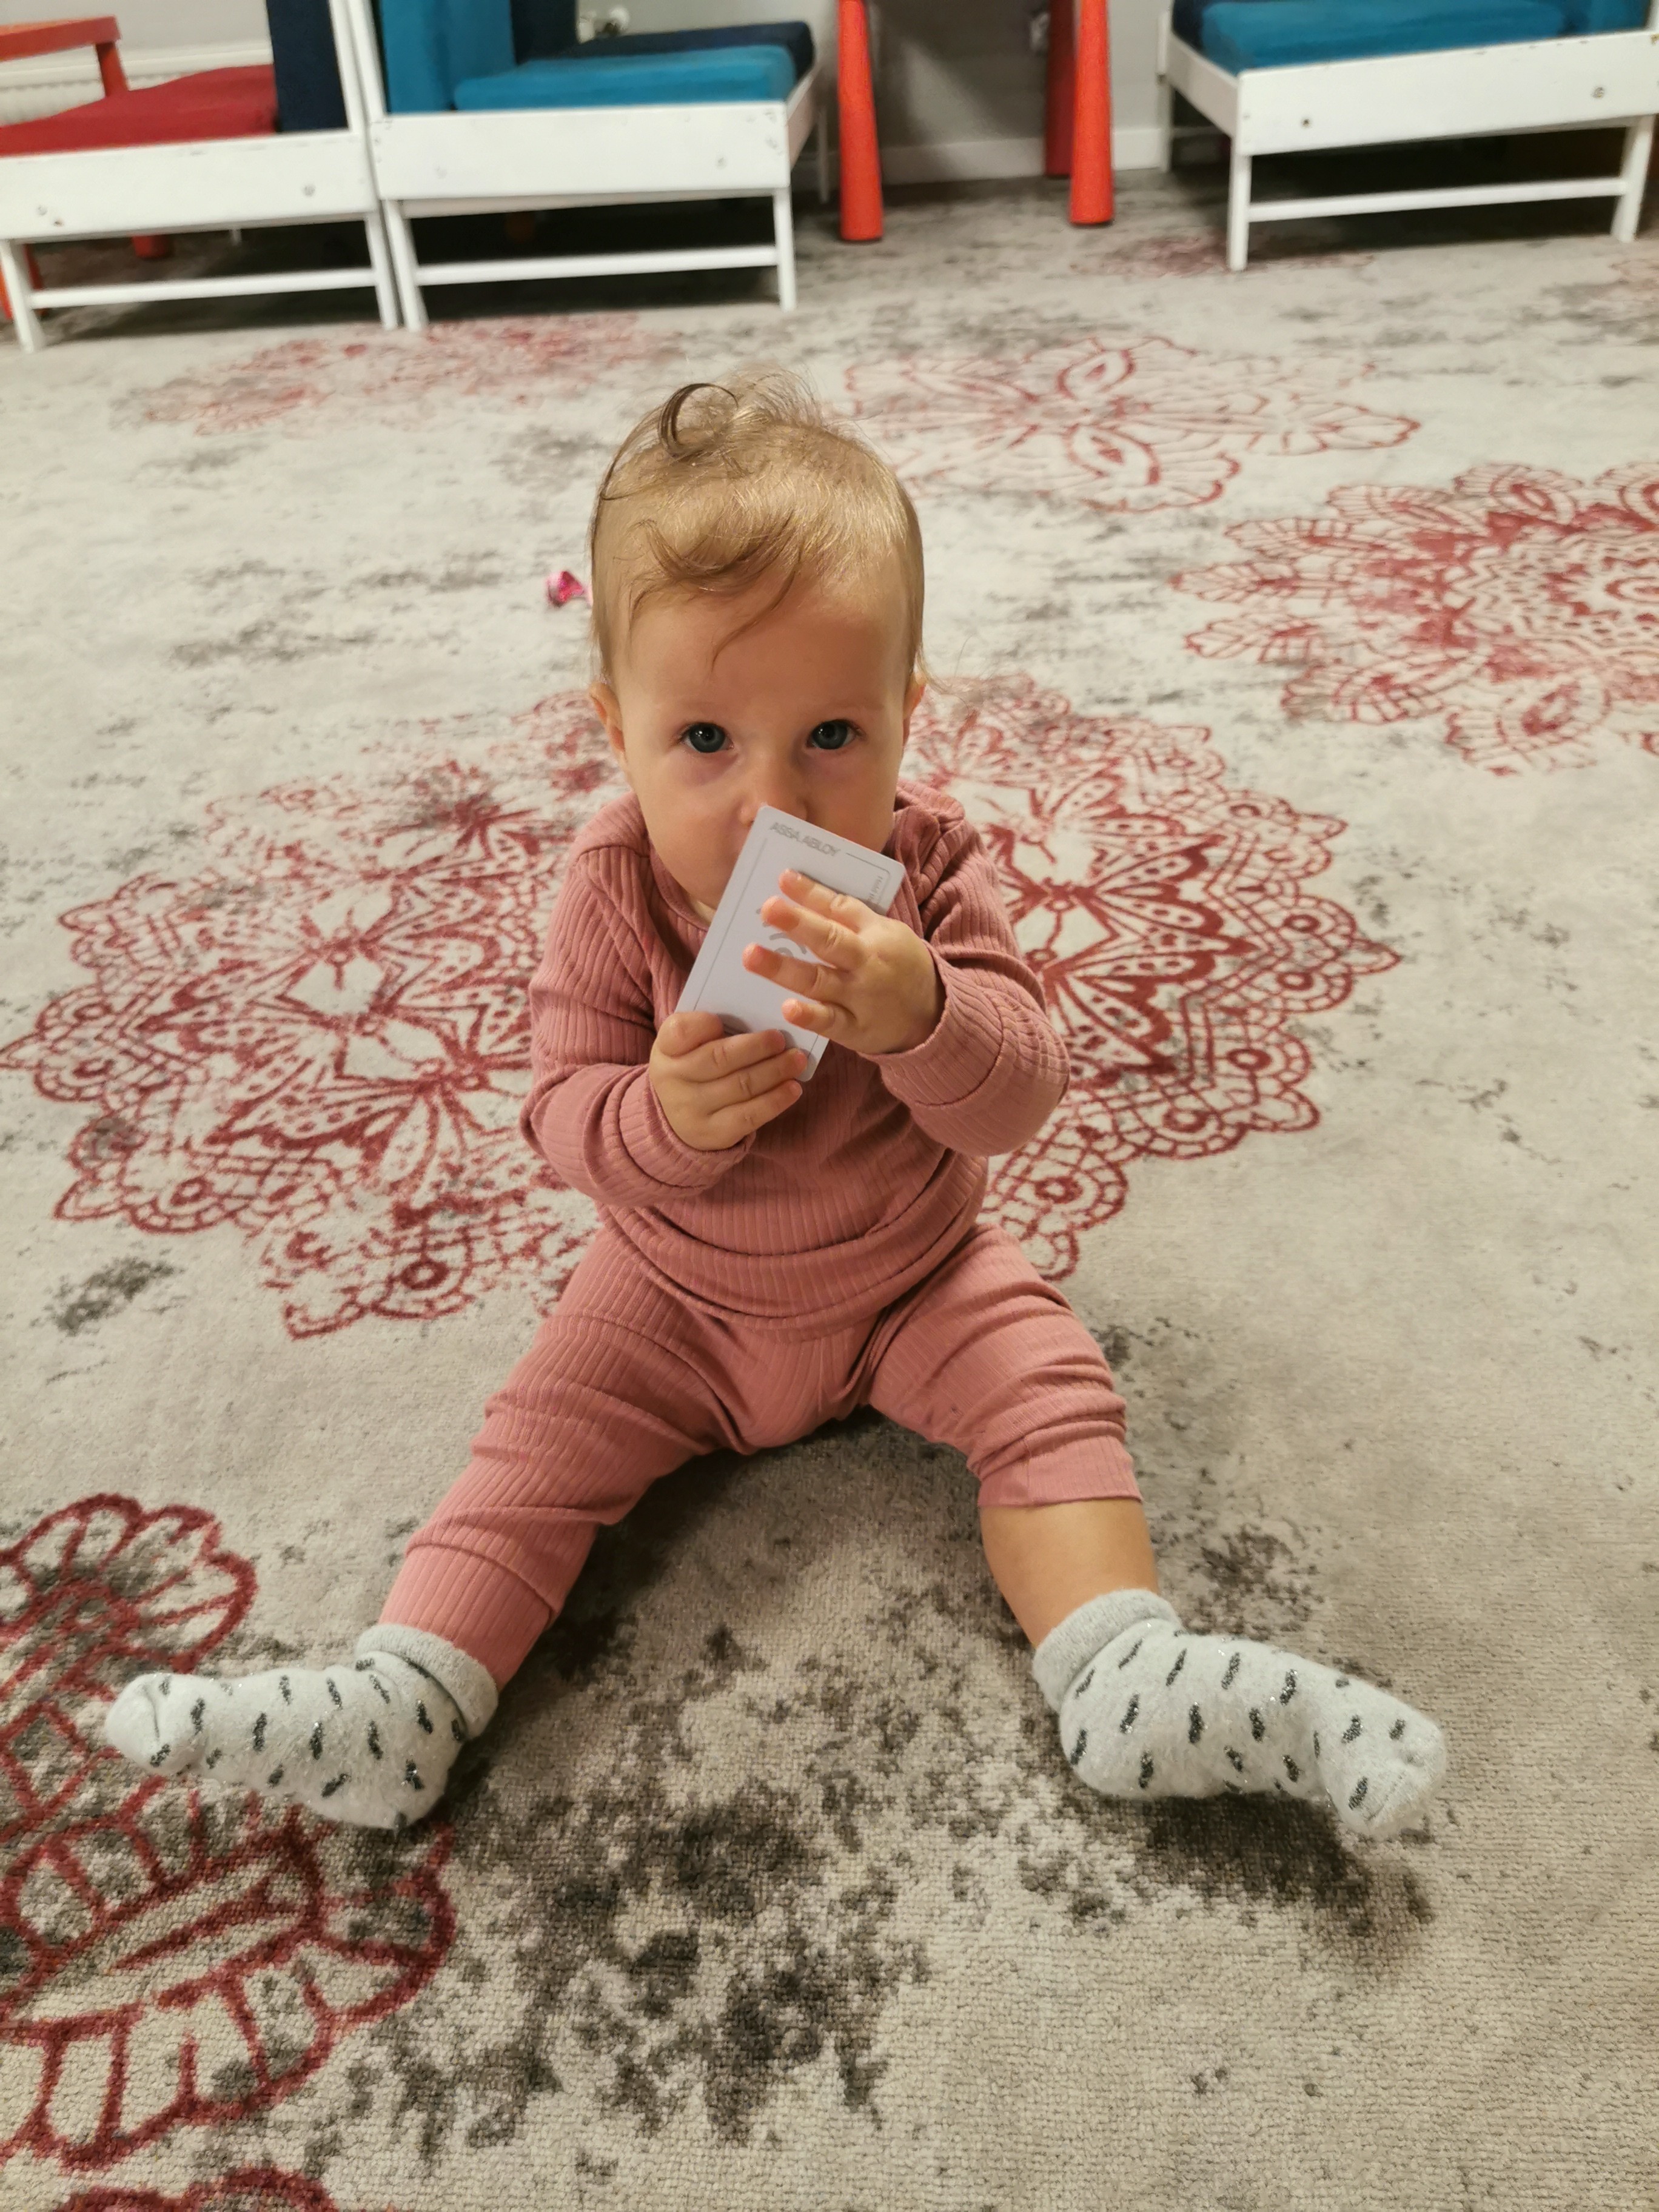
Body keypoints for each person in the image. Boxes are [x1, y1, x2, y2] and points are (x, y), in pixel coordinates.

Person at [106, 372, 1446, 1838]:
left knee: (1053, 1383)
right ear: (616, 730)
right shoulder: (610, 889)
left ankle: (1124, 1670)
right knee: (531, 1447)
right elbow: (558, 1114)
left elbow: (1018, 1095)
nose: (774, 806)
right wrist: (660, 1117)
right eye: (704, 742)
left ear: (905, 717)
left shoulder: (931, 871)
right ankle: (404, 1697)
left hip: (910, 1274)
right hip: (673, 1295)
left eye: (831, 736)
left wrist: (924, 1012)